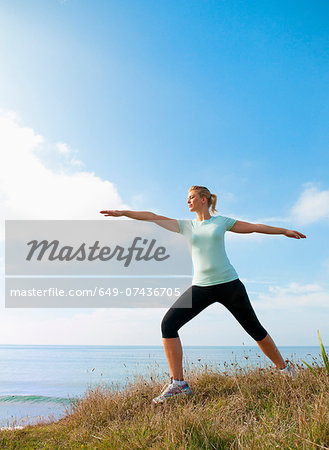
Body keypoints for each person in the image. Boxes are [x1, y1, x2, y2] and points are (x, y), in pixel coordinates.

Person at [100, 185, 306, 404]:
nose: (187, 201)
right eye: (187, 198)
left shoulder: (221, 222)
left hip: (229, 284)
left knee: (254, 329)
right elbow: (152, 216)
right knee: (168, 325)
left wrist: (284, 231)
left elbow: (254, 227)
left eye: (191, 197)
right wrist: (123, 213)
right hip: (201, 287)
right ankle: (178, 384)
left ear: (204, 199)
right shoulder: (186, 226)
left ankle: (285, 370)